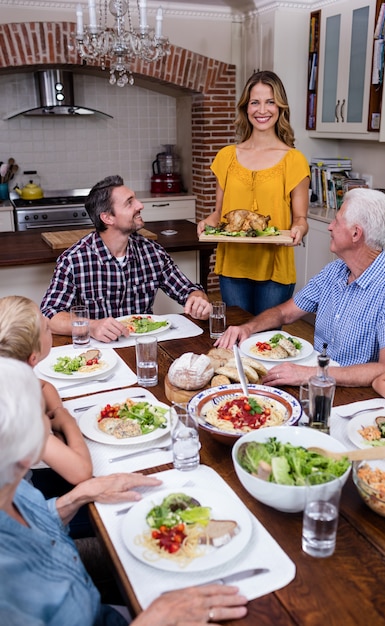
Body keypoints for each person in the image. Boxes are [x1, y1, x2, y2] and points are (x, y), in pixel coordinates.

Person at [0, 357, 248, 626]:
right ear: (27, 454)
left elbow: (35, 520)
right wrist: (153, 620)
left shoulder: (11, 486)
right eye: (42, 417)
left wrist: (79, 495)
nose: (49, 421)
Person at [216, 188, 385, 388]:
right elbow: (285, 313)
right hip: (316, 382)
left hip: (356, 393)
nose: (330, 227)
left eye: (337, 221)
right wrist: (247, 328)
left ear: (356, 233)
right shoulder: (335, 271)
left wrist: (312, 374)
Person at [41, 175, 211, 343]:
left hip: (143, 347)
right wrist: (91, 326)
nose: (140, 205)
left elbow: (188, 291)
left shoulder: (152, 252)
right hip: (99, 354)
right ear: (108, 217)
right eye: (130, 202)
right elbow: (49, 315)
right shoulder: (74, 260)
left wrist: (198, 300)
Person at [197, 70, 310, 315]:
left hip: (275, 266)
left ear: (280, 107)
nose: (262, 110)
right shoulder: (226, 156)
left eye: (270, 102)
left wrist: (299, 228)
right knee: (236, 334)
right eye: (255, 102)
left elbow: (300, 218)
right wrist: (207, 222)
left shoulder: (294, 160)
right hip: (233, 265)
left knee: (266, 341)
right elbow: (218, 214)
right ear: (245, 108)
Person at [0, 295, 93, 538]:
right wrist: (65, 420)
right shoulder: (15, 403)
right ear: (33, 358)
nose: (49, 324)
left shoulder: (10, 372)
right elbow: (81, 471)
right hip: (23, 513)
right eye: (45, 327)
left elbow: (45, 387)